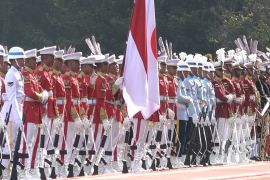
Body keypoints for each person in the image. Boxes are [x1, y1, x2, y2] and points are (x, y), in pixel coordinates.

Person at [0, 47, 25, 178]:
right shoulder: (11, 74)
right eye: (21, 59)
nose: (23, 61)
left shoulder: (17, 73)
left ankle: (9, 173)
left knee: (13, 145)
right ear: (15, 59)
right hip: (11, 114)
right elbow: (12, 98)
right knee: (8, 145)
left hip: (17, 110)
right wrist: (18, 117)